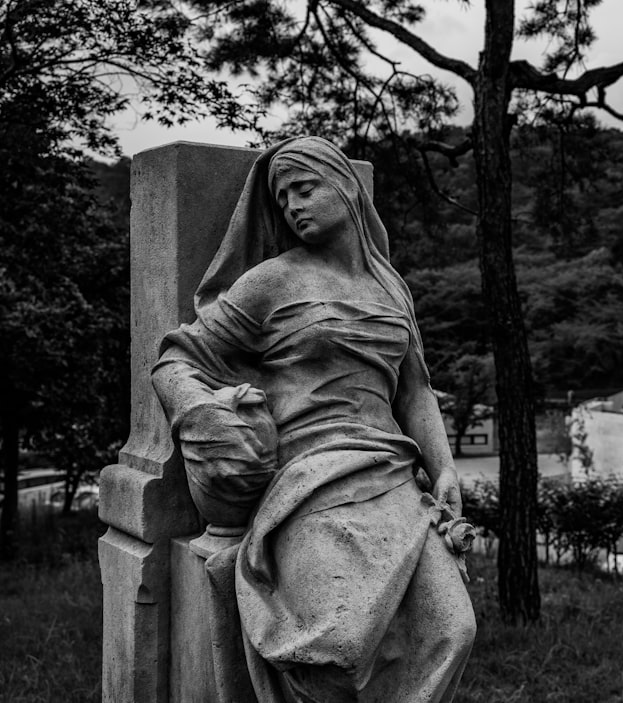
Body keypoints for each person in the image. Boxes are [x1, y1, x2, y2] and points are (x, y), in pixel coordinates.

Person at [152, 136, 476, 703]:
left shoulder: (390, 287)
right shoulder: (270, 281)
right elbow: (178, 358)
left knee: (452, 629)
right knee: (338, 646)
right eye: (283, 199)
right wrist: (200, 411)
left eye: (305, 189)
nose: (294, 206)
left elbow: (416, 389)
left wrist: (444, 468)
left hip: (392, 476)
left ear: (346, 186)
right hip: (307, 476)